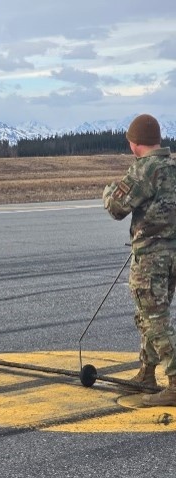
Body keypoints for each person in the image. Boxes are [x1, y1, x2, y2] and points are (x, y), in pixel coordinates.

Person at [103, 113, 176, 406]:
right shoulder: (172, 166)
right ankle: (146, 374)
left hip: (152, 258)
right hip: (172, 255)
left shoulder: (145, 169)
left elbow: (116, 206)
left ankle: (174, 383)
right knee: (151, 314)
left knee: (155, 320)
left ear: (135, 143)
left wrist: (108, 190)